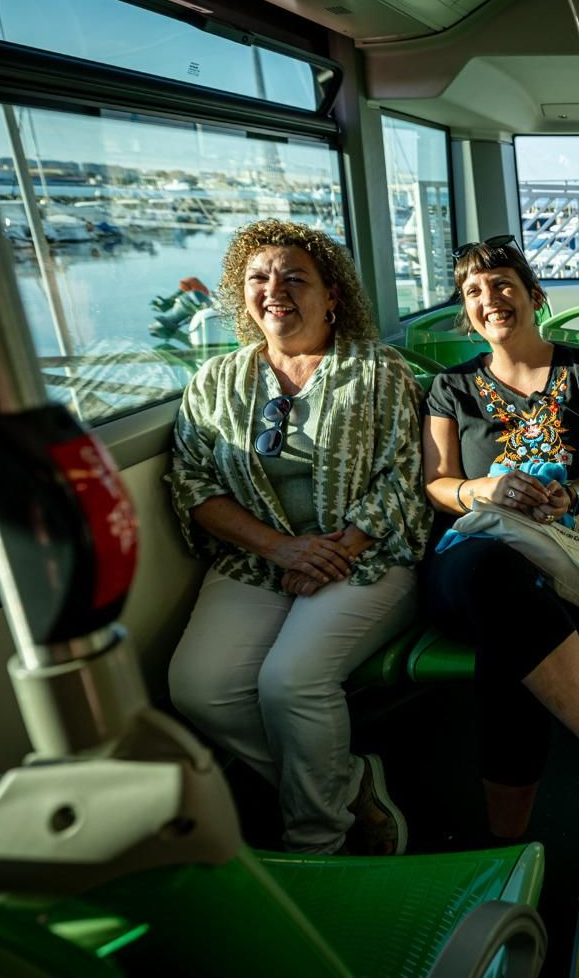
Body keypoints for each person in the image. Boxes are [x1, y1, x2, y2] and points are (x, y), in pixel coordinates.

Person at [168, 219, 428, 855]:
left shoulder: (378, 371)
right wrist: (279, 548)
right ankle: (344, 782)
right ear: (241, 291)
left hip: (368, 557)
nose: (274, 288)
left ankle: (319, 841)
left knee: (291, 681)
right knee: (199, 689)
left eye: (294, 277)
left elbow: (404, 479)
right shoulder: (216, 382)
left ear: (333, 295)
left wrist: (330, 552)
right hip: (259, 561)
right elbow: (191, 483)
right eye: (259, 277)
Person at [420, 236, 579, 853]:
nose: (490, 299)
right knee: (494, 577)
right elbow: (437, 485)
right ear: (466, 312)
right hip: (472, 564)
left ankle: (506, 846)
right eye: (474, 292)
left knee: (508, 648)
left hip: (569, 567)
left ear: (534, 295)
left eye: (503, 284)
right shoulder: (451, 389)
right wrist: (487, 489)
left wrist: (573, 496)